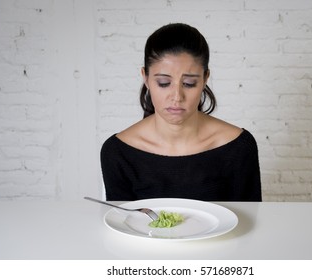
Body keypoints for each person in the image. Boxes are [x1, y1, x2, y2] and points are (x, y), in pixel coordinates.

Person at [101, 23, 262, 201]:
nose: (177, 97)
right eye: (163, 83)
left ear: (205, 78)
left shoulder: (238, 146)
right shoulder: (118, 152)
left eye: (189, 83)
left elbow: (251, 222)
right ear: (145, 78)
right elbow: (120, 223)